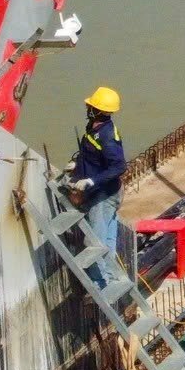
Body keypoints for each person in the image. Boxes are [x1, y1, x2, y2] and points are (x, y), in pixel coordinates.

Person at [66, 87, 126, 259]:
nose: (87, 109)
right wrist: (77, 165)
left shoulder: (106, 136)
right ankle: (109, 278)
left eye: (90, 106)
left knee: (96, 247)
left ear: (97, 111)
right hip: (102, 192)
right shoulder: (95, 128)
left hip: (103, 196)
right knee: (107, 242)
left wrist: (91, 181)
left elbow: (119, 166)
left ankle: (99, 283)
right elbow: (94, 156)